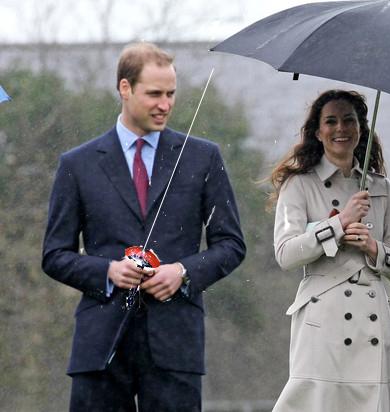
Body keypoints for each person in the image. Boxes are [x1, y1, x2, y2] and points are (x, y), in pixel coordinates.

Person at [42, 42, 246, 411]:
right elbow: (55, 255)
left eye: (170, 94)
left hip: (175, 347)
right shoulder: (78, 163)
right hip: (99, 347)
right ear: (125, 88)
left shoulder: (203, 157)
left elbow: (231, 244)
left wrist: (182, 273)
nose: (165, 104)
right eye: (154, 94)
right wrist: (108, 271)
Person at [268, 89, 390, 411]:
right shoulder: (299, 184)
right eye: (330, 121)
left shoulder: (381, 187)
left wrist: (374, 248)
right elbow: (286, 254)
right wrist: (338, 224)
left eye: (349, 120)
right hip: (323, 323)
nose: (340, 129)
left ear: (361, 128)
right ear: (318, 132)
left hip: (373, 324)